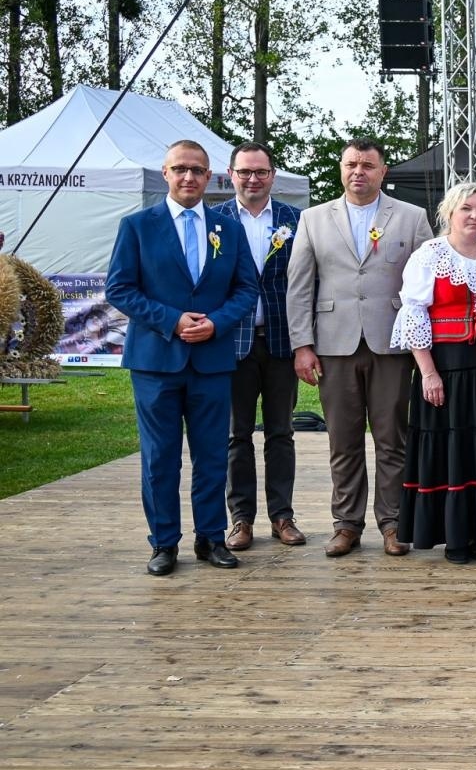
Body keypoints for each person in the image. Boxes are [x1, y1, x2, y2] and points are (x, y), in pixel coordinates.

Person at [105, 140, 260, 575]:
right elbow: (119, 288)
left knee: (212, 455)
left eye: (197, 170)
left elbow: (246, 288)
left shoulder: (227, 229)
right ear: (165, 173)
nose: (189, 177)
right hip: (156, 360)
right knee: (160, 459)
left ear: (210, 177)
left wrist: (216, 323)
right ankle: (164, 542)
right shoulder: (137, 226)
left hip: (212, 360)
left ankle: (210, 538)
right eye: (180, 169)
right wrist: (172, 320)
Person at [286, 140, 433, 558]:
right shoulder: (313, 219)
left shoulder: (411, 217)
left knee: (392, 438)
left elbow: (426, 284)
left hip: (393, 343)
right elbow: (299, 287)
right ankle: (347, 524)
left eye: (368, 165)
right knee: (343, 440)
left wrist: (425, 343)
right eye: (351, 164)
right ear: (341, 169)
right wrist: (302, 344)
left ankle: (393, 523)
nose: (359, 172)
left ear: (383, 171)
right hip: (334, 344)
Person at [391, 182, 476, 563]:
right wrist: (428, 373)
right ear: (450, 211)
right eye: (467, 209)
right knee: (450, 447)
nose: (475, 216)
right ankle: (454, 537)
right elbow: (414, 313)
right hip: (447, 367)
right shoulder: (430, 255)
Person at [217, 142, 305, 549]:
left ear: (273, 175)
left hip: (280, 340)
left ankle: (282, 516)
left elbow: (306, 282)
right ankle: (241, 519)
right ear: (231, 174)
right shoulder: (213, 219)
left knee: (280, 433)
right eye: (245, 172)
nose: (253, 179)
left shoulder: (296, 219)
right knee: (236, 435)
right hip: (230, 343)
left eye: (261, 172)